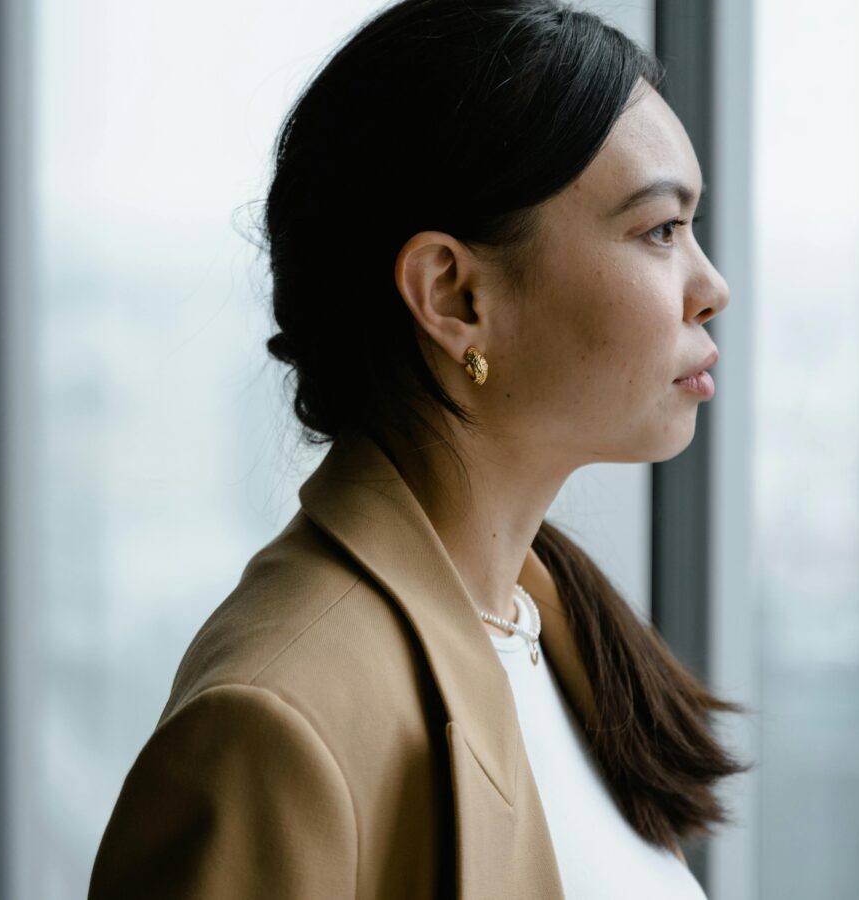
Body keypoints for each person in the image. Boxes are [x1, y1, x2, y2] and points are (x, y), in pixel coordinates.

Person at [86, 0, 750, 896]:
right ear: (454, 294)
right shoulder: (275, 724)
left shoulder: (551, 627)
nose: (711, 288)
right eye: (659, 230)